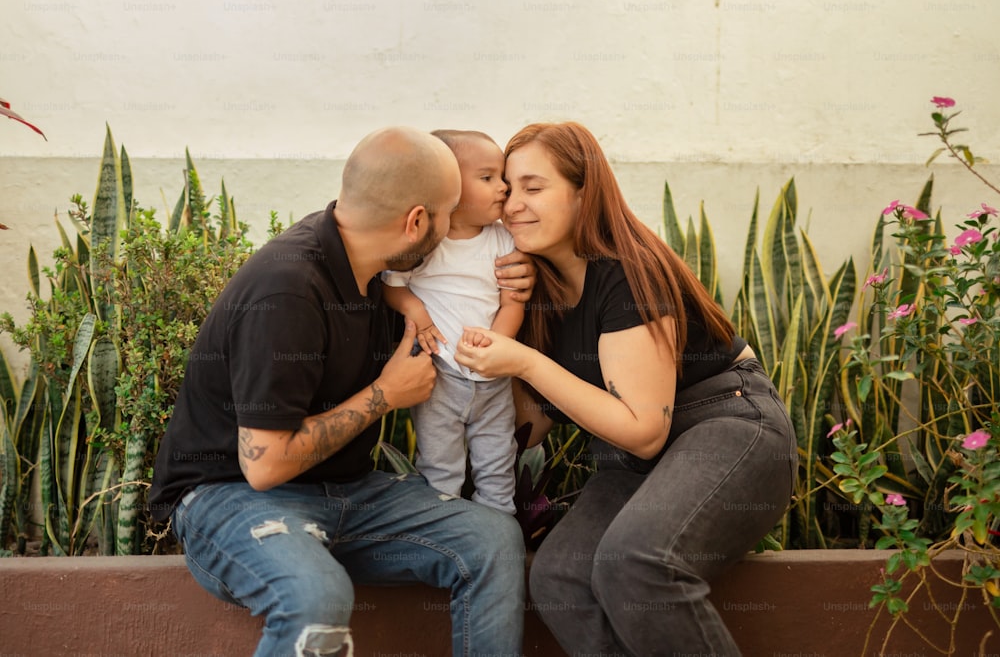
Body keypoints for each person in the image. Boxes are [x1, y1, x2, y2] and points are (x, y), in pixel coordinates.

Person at [148, 126, 536, 657]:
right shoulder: (288, 290)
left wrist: (515, 274)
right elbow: (264, 465)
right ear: (416, 222)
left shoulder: (383, 268)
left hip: (348, 493)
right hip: (233, 496)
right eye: (448, 216)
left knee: (493, 540)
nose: (453, 230)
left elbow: (468, 290)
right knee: (316, 597)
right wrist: (385, 394)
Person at [454, 121, 798, 656]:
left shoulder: (628, 272)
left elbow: (643, 431)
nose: (513, 204)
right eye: (508, 188)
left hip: (724, 424)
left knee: (641, 562)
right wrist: (505, 318)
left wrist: (522, 359)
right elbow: (534, 420)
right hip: (632, 458)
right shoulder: (537, 285)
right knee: (560, 579)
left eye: (534, 187)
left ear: (583, 192)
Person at [382, 130, 522, 514]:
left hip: (492, 380)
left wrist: (497, 345)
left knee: (497, 465)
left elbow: (512, 302)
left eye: (502, 177)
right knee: (441, 468)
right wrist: (417, 311)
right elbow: (393, 287)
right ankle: (444, 530)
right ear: (450, 189)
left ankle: (498, 532)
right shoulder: (427, 244)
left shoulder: (504, 240)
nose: (504, 187)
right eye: (488, 177)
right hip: (439, 375)